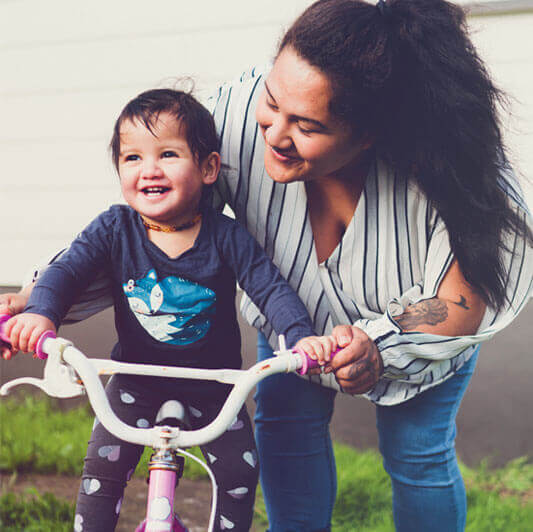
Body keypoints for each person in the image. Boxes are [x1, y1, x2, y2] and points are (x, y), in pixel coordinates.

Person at [1, 0, 532, 530]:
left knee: (414, 453)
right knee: (284, 432)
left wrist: (378, 344)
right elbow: (152, 234)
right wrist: (42, 300)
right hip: (291, 333)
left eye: (305, 124)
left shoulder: (451, 167)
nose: (274, 134)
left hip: (412, 344)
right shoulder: (229, 121)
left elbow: (467, 297)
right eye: (272, 102)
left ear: (369, 133)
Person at [2, 88, 334, 532]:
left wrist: (299, 337)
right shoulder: (113, 228)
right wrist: (41, 313)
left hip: (215, 387)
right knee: (102, 472)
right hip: (134, 382)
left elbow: (270, 287)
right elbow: (66, 273)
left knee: (238, 473)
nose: (149, 170)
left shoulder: (225, 236)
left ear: (209, 167)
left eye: (169, 154)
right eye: (132, 158)